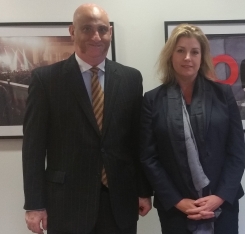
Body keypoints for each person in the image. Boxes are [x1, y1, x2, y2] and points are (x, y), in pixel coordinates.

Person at [22, 4, 152, 234]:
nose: (96, 36)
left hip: (119, 203)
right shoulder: (46, 80)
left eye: (102, 29)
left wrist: (143, 190)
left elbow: (136, 141)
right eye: (87, 29)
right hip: (66, 204)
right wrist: (34, 204)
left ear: (110, 32)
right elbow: (33, 148)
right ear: (72, 31)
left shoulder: (131, 79)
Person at [139, 24, 245, 234]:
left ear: (202, 56)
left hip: (221, 205)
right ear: (171, 55)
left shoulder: (223, 94)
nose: (187, 57)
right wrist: (179, 201)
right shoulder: (153, 100)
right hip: (176, 209)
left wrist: (219, 197)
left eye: (194, 51)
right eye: (180, 50)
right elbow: (148, 158)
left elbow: (236, 153)